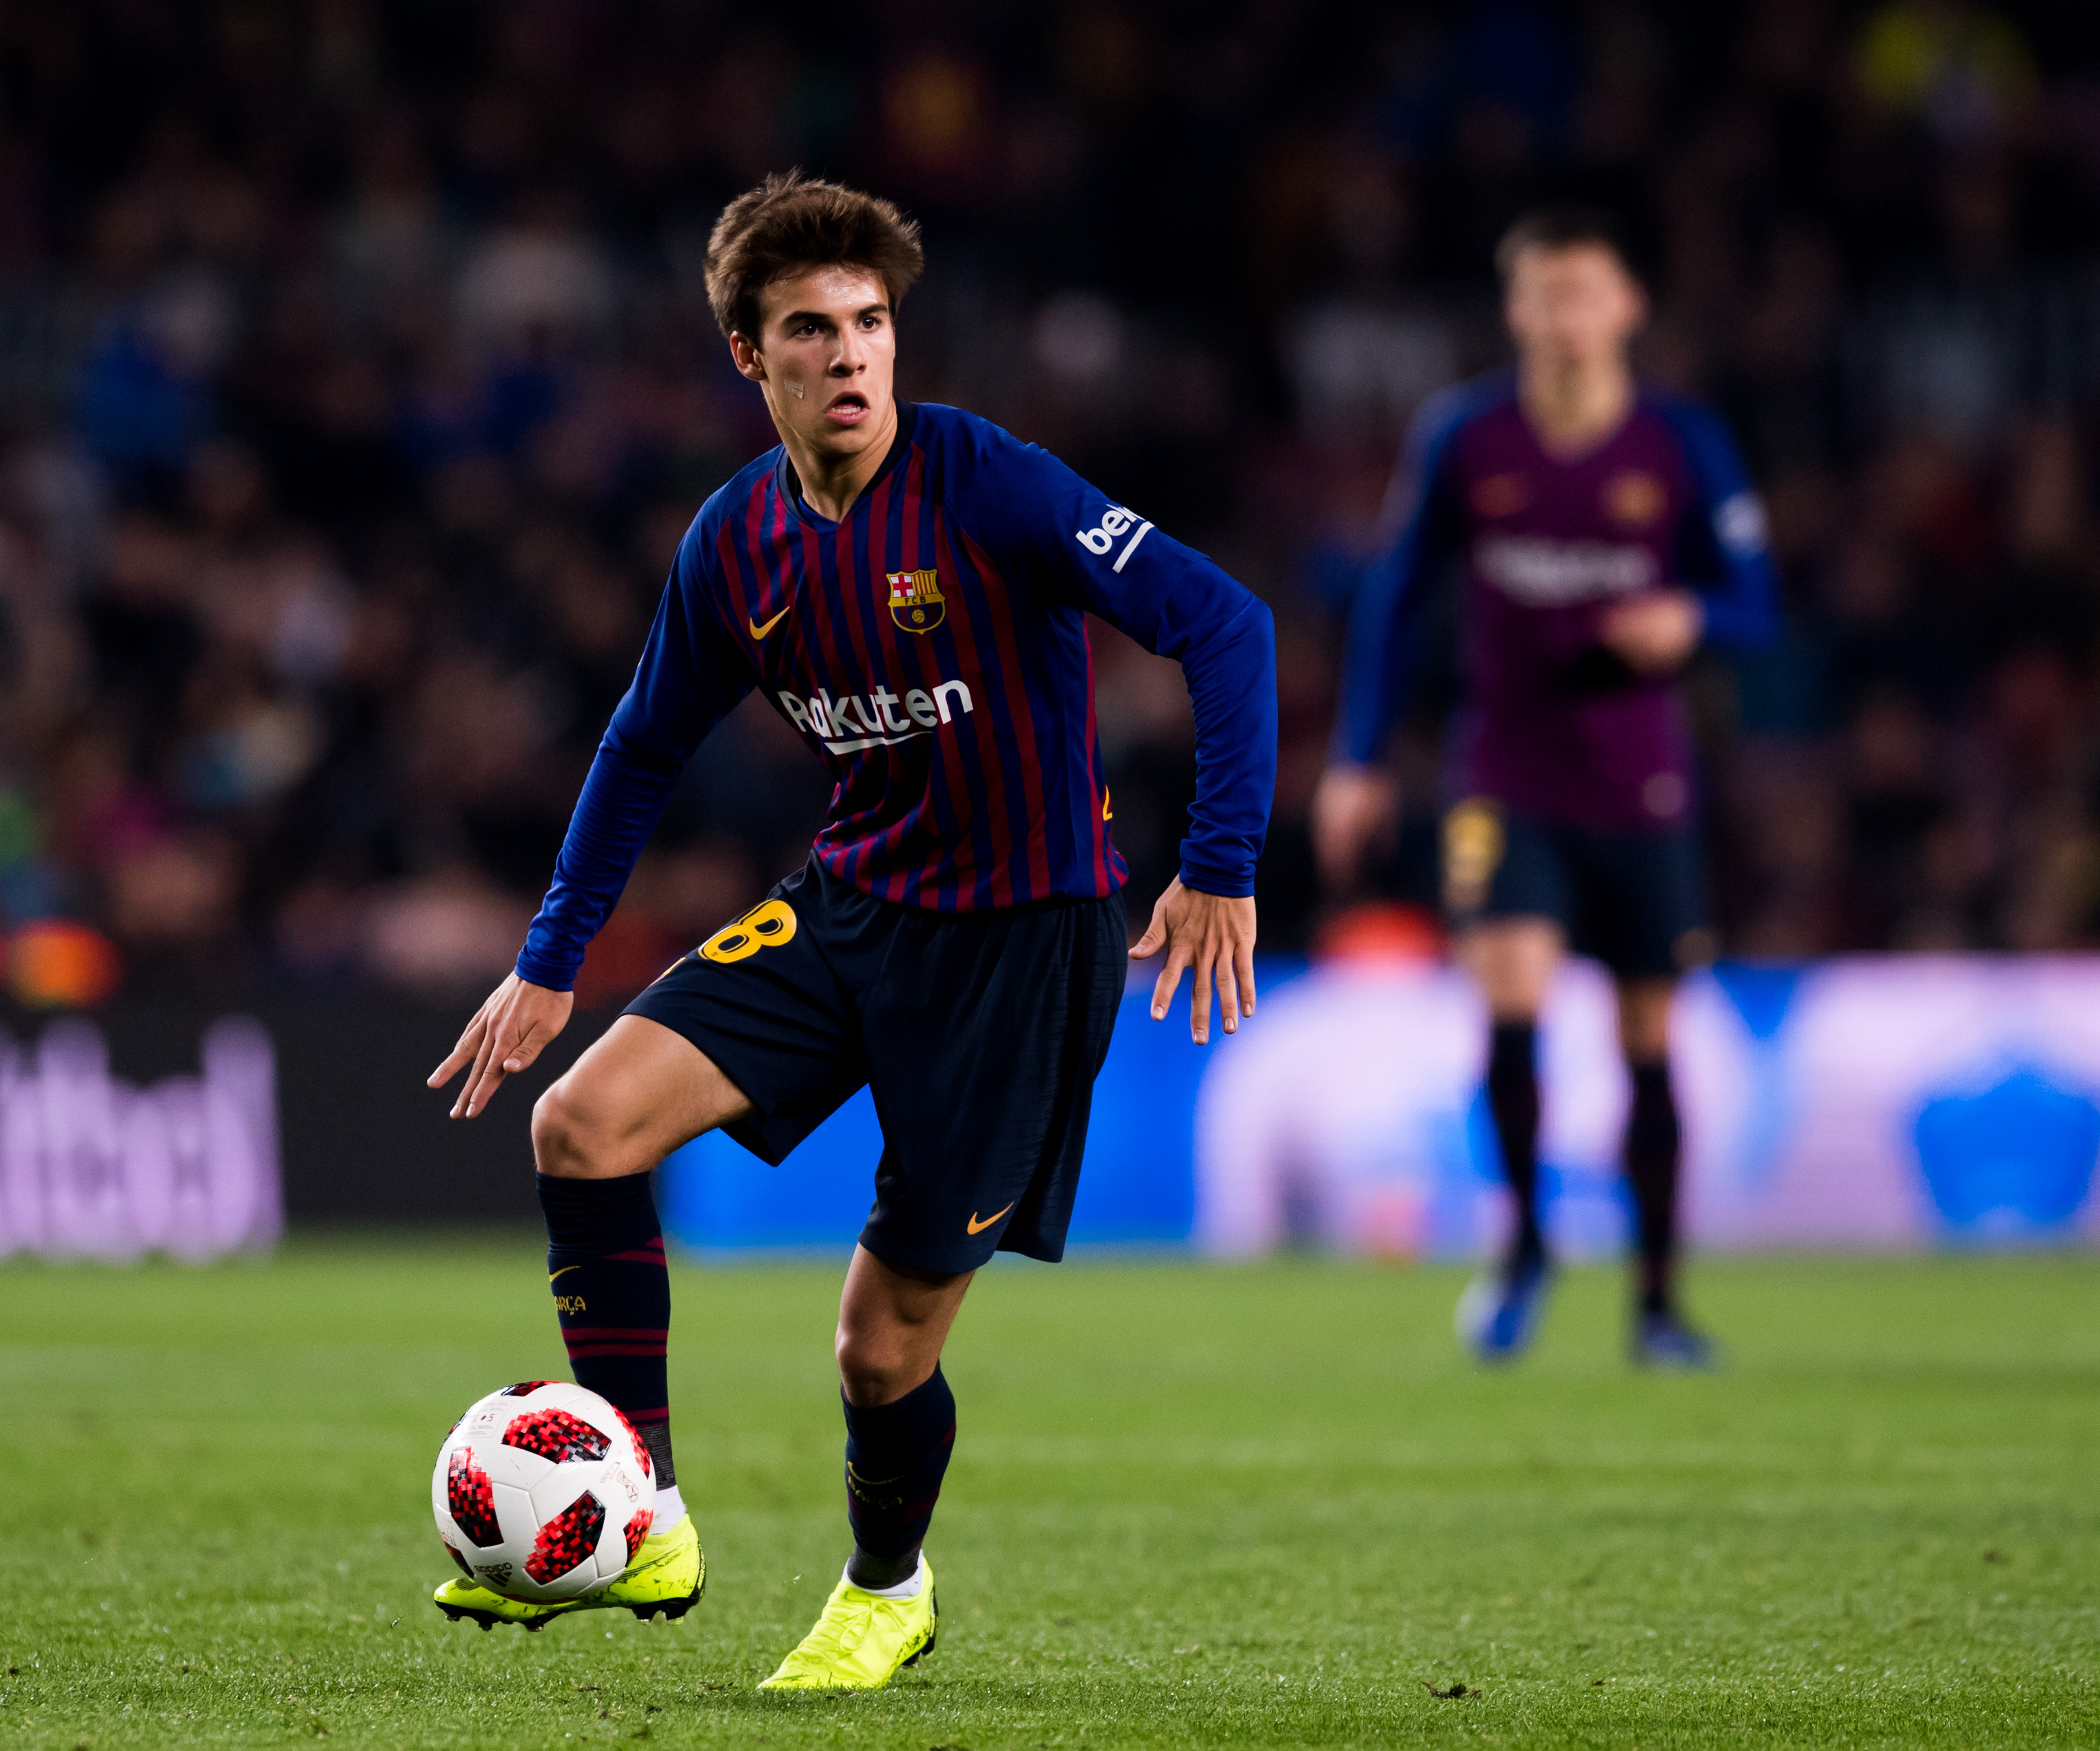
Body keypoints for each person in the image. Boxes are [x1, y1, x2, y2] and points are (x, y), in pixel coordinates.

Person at [426, 172, 1277, 1688]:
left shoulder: (984, 481)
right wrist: (550, 957)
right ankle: (647, 1520)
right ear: (747, 359)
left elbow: (1225, 621)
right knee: (582, 1125)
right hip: (854, 905)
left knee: (877, 1350)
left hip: (1021, 950)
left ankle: (887, 1586)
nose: (849, 356)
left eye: (871, 324)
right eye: (809, 329)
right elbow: (638, 746)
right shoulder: (737, 540)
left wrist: (1217, 864)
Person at [1313, 207, 1779, 1370]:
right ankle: (1524, 1247)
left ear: (1626, 309)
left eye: (1588, 296)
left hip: (1641, 782)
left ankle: (1661, 1301)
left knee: (1647, 1036)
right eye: (1545, 298)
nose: (1567, 320)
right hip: (1504, 774)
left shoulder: (1680, 444)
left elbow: (1758, 601)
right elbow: (1395, 596)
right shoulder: (1467, 437)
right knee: (1510, 1001)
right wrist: (1361, 756)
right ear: (1517, 312)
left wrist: (1694, 616)